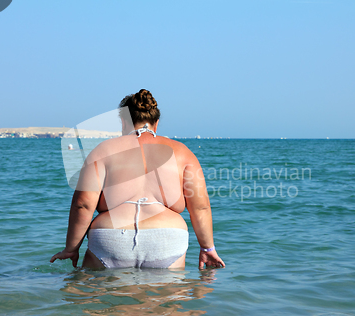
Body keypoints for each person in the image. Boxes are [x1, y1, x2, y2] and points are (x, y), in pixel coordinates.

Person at [50, 89, 225, 269]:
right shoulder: (184, 153)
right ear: (156, 123)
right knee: (167, 296)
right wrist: (207, 248)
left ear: (123, 122)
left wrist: (71, 248)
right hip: (167, 239)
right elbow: (200, 207)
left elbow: (83, 204)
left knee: (93, 295)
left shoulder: (102, 151)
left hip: (111, 238)